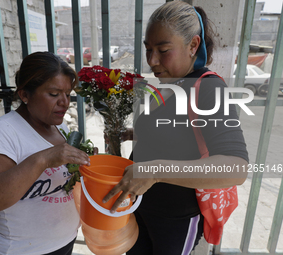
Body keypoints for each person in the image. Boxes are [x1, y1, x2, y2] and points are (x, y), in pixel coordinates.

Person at [103, 2, 249, 255]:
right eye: (148, 49)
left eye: (163, 50)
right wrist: (135, 133)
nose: (152, 60)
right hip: (139, 207)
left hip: (175, 219)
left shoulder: (209, 89)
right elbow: (179, 132)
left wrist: (155, 171)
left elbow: (235, 167)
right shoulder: (170, 84)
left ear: (193, 45)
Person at [0, 52, 92, 255]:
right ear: (24, 95)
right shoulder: (2, 133)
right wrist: (43, 159)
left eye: (67, 93)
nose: (64, 102)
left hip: (63, 243)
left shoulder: (58, 128)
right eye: (54, 94)